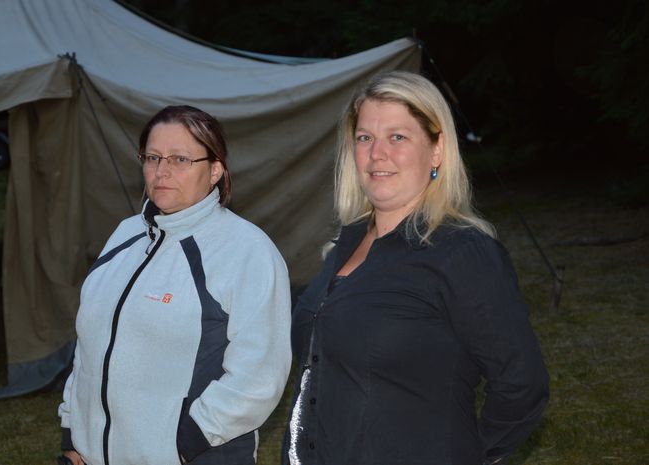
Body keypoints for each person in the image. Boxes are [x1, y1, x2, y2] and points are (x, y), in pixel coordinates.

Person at [283, 71, 549, 465]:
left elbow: (522, 384)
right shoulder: (344, 246)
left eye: (397, 137)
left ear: (437, 150)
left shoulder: (461, 253)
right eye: (365, 138)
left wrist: (470, 455)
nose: (377, 154)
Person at [58, 105, 292, 465]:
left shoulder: (247, 251)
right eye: (152, 157)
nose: (161, 171)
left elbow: (259, 377)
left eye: (180, 159)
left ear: (215, 170)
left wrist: (183, 444)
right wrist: (73, 428)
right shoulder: (125, 235)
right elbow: (90, 341)